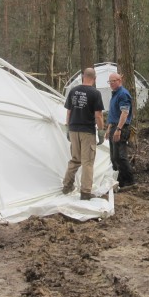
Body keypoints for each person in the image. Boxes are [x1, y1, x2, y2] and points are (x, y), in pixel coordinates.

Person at [62, 67, 105, 200]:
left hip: (74, 129)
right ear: (95, 78)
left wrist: (68, 128)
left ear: (82, 76)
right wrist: (101, 131)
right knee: (87, 162)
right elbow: (98, 115)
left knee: (75, 159)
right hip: (87, 132)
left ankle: (67, 186)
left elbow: (68, 112)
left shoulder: (73, 91)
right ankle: (85, 192)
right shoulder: (95, 93)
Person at [105, 72, 135, 187]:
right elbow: (114, 114)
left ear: (120, 81)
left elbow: (124, 113)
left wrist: (118, 129)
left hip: (121, 128)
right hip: (114, 127)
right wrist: (109, 128)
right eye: (110, 81)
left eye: (114, 81)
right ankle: (119, 181)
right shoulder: (115, 94)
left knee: (120, 157)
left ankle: (129, 181)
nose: (111, 83)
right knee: (113, 157)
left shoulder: (123, 94)